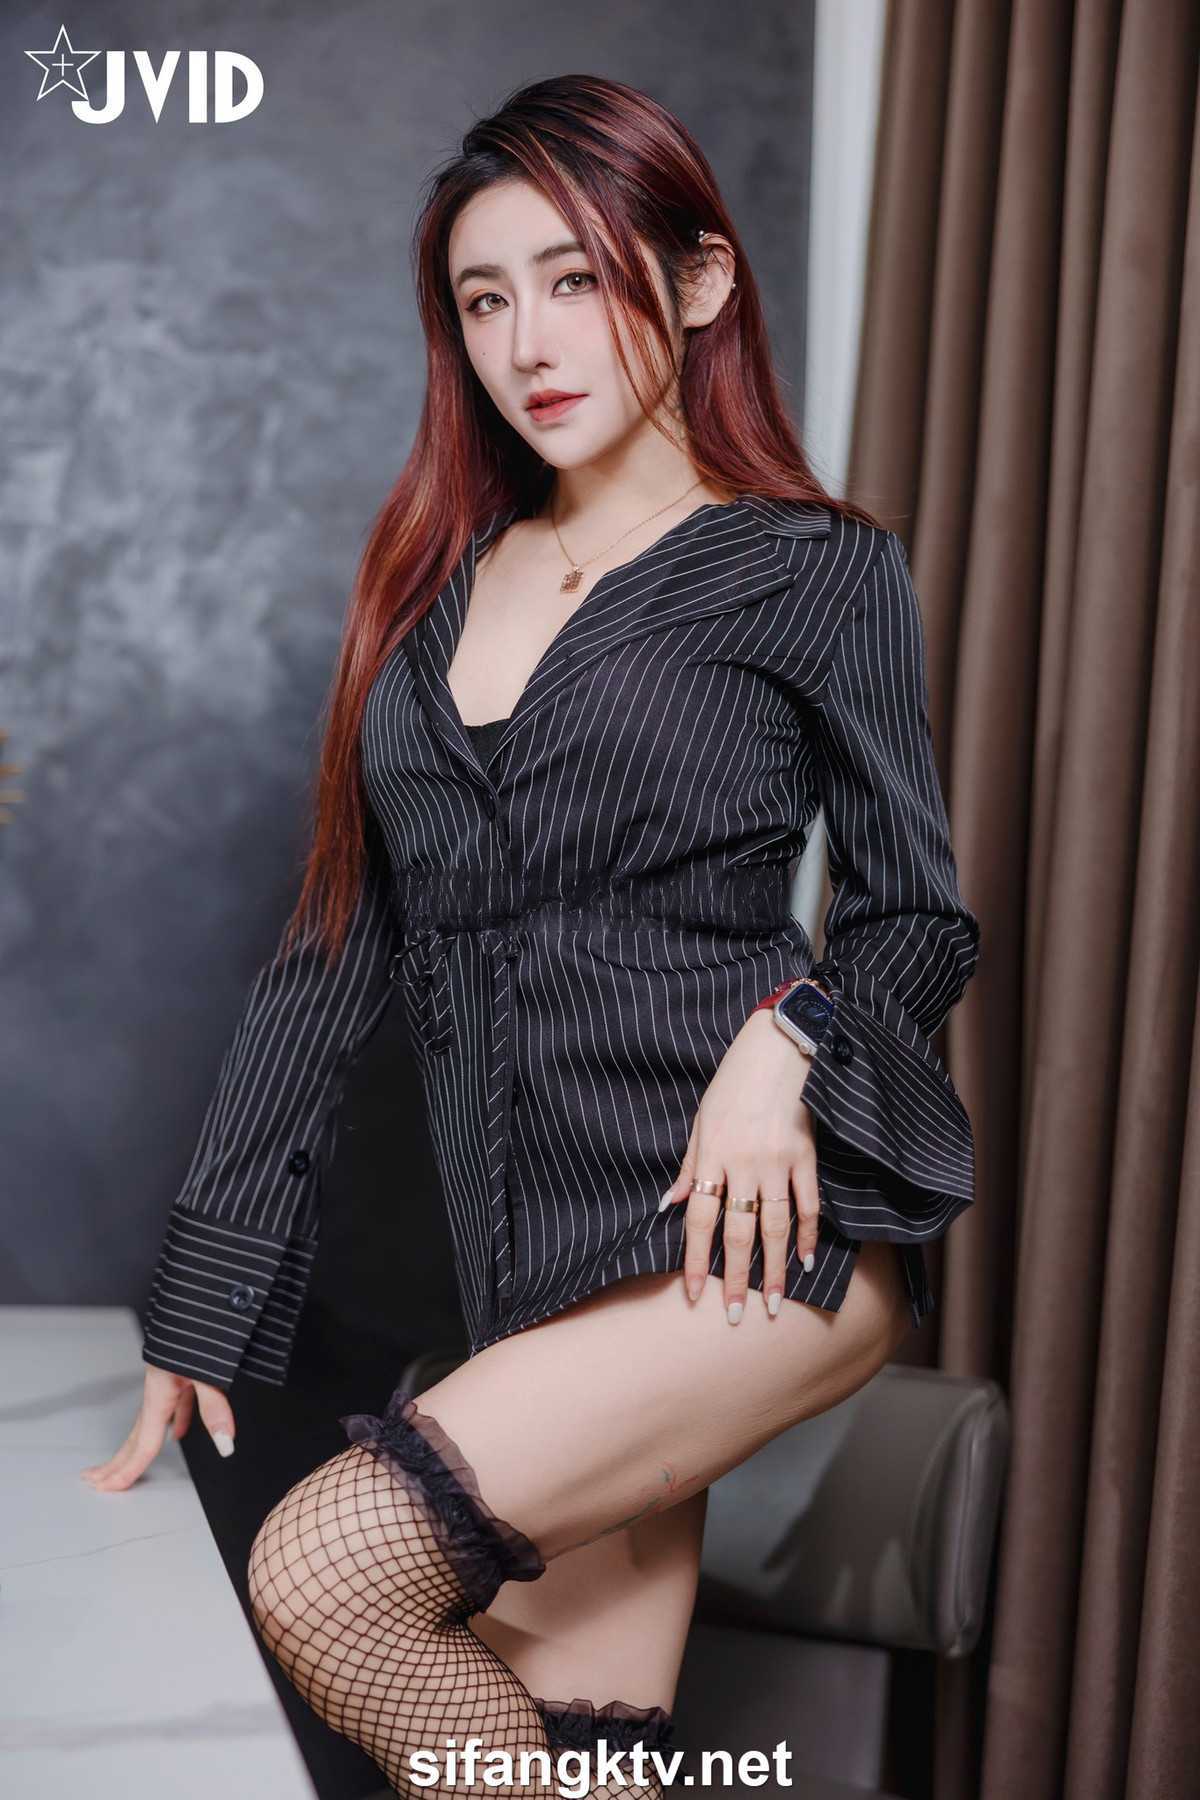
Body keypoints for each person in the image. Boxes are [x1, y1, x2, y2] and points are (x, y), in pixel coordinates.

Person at [83, 74, 981, 1800]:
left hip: (752, 1241)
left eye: (575, 278)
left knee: (323, 1575)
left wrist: (786, 1047)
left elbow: (917, 915)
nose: (529, 341)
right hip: (536, 1265)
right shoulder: (427, 595)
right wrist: (205, 1298)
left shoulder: (813, 570)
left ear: (700, 280)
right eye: (484, 299)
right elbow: (331, 957)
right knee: (573, 1752)